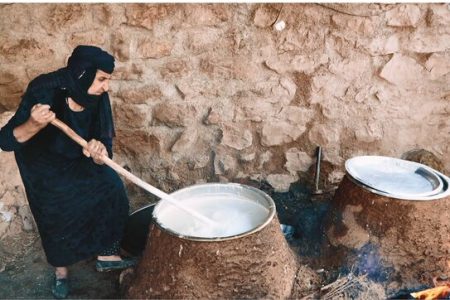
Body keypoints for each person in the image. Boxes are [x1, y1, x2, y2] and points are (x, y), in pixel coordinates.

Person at [0, 45, 135, 299]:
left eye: (108, 80)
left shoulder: (97, 97)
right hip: (42, 165)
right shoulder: (44, 88)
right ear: (84, 74)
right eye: (102, 79)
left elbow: (103, 140)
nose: (106, 86)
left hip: (77, 157)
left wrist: (99, 149)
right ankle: (61, 272)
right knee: (55, 210)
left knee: (111, 187)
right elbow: (7, 140)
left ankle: (107, 253)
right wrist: (33, 123)